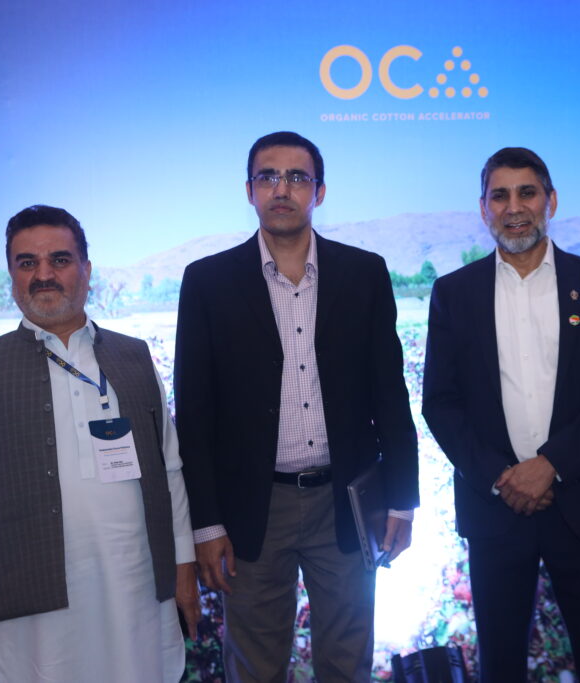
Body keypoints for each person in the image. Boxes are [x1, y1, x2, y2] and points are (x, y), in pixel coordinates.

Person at [175, 131, 419, 682]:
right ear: (249, 190)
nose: (281, 189)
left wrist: (402, 502)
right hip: (253, 508)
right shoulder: (208, 281)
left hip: (346, 501)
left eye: (296, 177)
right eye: (268, 177)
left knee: (347, 662)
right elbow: (193, 414)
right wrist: (206, 525)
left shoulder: (364, 274)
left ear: (319, 191)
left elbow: (390, 394)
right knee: (255, 667)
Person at [0, 205, 199, 682]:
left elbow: (170, 471)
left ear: (86, 270)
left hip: (137, 589)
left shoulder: (135, 357)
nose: (44, 275)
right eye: (27, 263)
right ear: (12, 276)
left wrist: (183, 564)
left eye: (59, 259)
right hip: (33, 611)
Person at [422, 147, 580, 683]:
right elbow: (440, 403)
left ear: (551, 201)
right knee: (500, 664)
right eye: (500, 195)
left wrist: (550, 465)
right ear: (483, 208)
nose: (514, 207)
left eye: (527, 193)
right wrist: (503, 477)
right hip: (495, 509)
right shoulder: (453, 293)